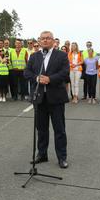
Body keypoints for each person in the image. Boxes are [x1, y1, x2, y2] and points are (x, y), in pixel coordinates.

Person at [24, 31, 69, 169]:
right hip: (39, 98)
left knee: (59, 129)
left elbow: (65, 72)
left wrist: (50, 79)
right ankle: (42, 154)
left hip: (56, 98)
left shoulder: (61, 55)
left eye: (47, 38)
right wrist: (37, 78)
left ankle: (62, 157)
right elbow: (27, 72)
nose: (44, 41)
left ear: (53, 41)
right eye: (42, 39)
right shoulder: (34, 56)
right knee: (41, 129)